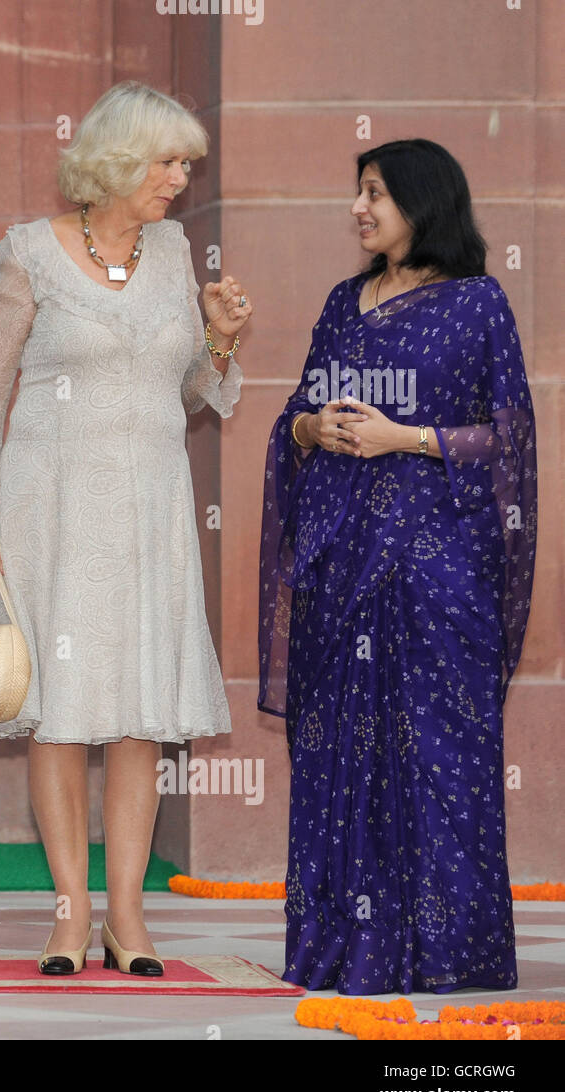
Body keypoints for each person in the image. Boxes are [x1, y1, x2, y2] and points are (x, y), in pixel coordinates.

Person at [0, 82, 252, 975]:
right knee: (60, 715)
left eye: (186, 163)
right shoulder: (27, 253)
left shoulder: (173, 250)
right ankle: (68, 912)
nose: (180, 178)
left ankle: (128, 915)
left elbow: (190, 389)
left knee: (137, 714)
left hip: (151, 507)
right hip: (52, 506)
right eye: (168, 161)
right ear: (120, 160)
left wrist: (222, 340)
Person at [259, 139, 536, 995]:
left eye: (375, 193)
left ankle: (449, 951)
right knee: (340, 752)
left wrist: (404, 438)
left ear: (423, 202)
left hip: (438, 573)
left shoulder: (478, 304)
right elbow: (298, 410)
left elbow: (510, 437)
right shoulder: (346, 302)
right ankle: (341, 948)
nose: (359, 209)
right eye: (358, 192)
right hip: (343, 569)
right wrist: (315, 431)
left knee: (437, 755)